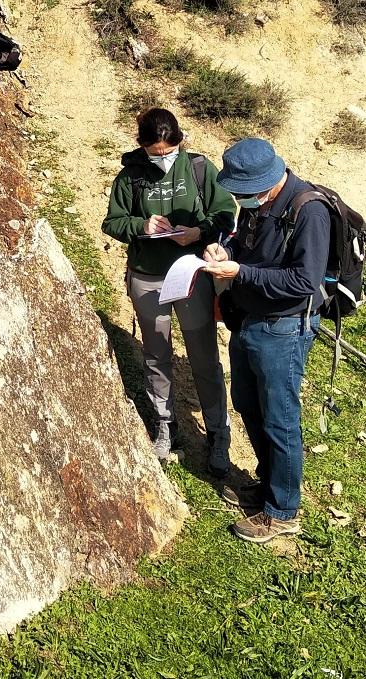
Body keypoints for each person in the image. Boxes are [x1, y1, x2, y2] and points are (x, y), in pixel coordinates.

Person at [203, 137, 330, 543]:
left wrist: (240, 274)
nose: (240, 199)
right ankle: (268, 484)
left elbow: (303, 281)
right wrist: (225, 251)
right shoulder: (259, 202)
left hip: (285, 328)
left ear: (267, 180)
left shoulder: (308, 211)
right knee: (249, 405)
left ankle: (283, 511)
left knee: (280, 419)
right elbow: (246, 244)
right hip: (250, 322)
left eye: (244, 192)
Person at [102, 108, 235, 476]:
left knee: (204, 357)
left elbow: (225, 213)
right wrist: (140, 225)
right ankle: (165, 425)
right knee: (156, 354)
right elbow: (112, 221)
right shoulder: (130, 177)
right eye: (155, 153)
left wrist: (199, 232)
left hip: (190, 275)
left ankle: (218, 434)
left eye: (168, 151)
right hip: (147, 277)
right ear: (142, 146)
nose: (162, 158)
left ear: (179, 142)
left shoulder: (198, 169)